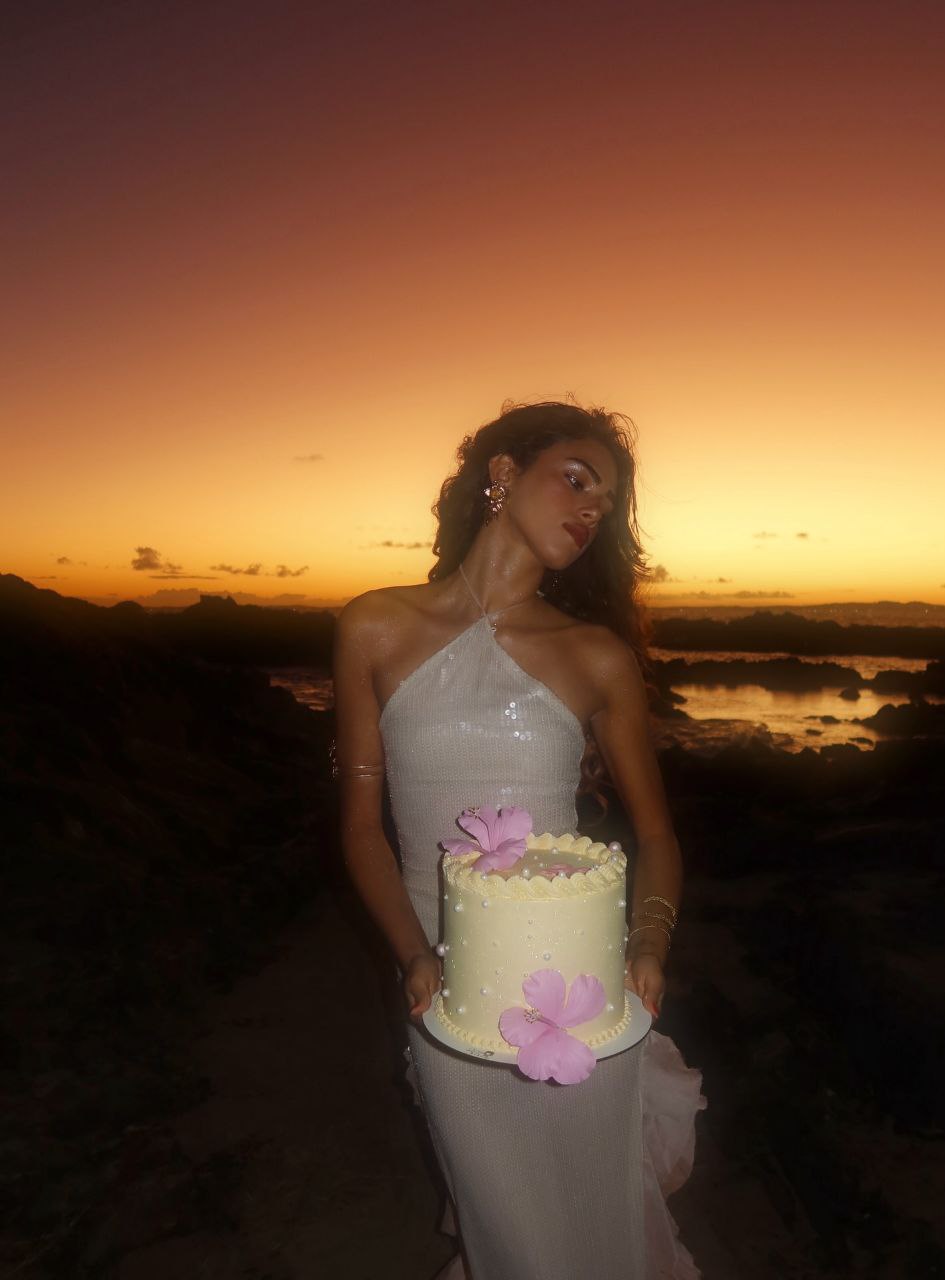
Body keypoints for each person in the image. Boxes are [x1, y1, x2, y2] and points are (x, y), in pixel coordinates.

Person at [334, 401, 704, 1279]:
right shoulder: (374, 625)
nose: (589, 510)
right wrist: (412, 954)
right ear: (502, 474)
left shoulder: (594, 655)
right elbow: (360, 826)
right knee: (501, 1212)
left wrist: (648, 944)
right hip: (442, 988)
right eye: (575, 480)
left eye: (602, 504)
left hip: (573, 979)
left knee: (591, 1204)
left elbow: (657, 833)